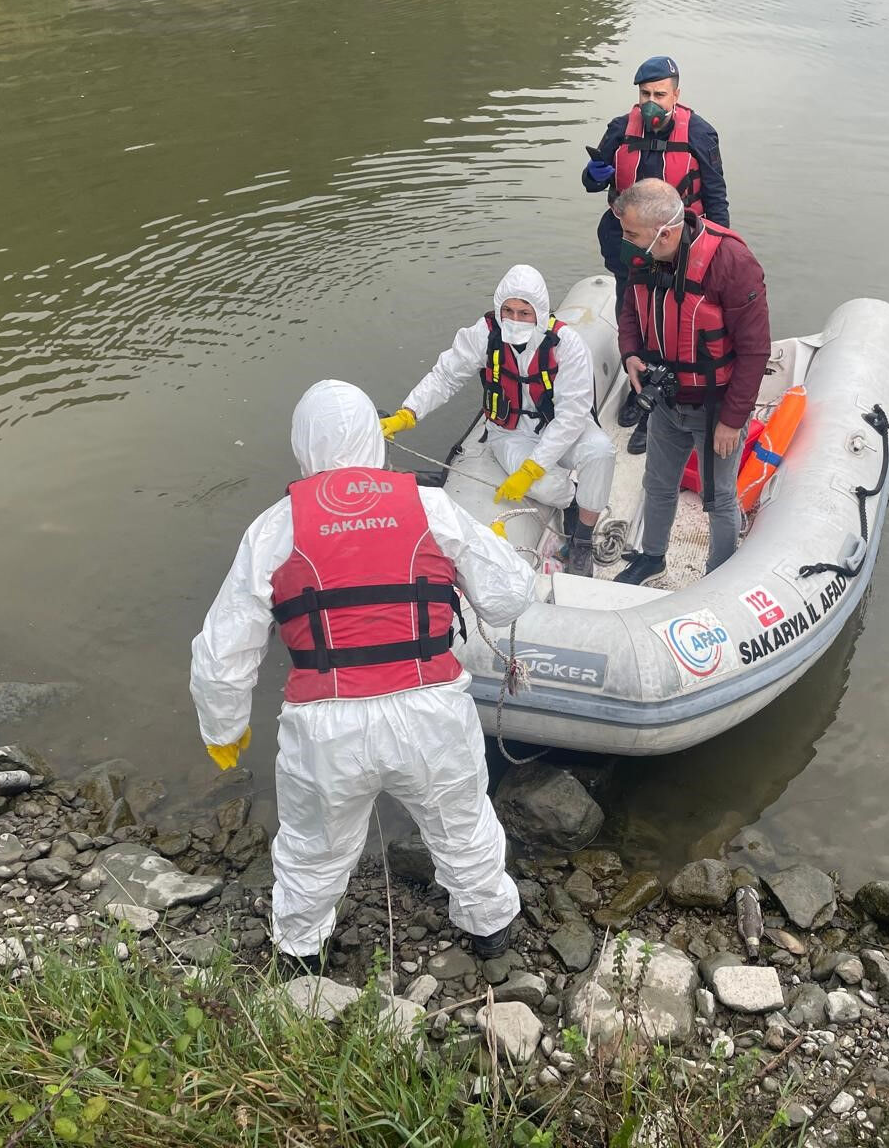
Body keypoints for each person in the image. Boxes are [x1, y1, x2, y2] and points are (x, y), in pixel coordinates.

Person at [190, 380, 536, 971]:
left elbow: (223, 651)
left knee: (313, 848)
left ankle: (301, 950)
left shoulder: (275, 527)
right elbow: (508, 599)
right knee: (462, 825)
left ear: (303, 444)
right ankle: (490, 929)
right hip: (430, 712)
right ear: (374, 438)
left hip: (327, 727)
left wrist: (223, 729)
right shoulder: (430, 507)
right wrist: (488, 552)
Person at [379, 265, 616, 577]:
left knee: (601, 451)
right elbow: (446, 375)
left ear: (539, 312)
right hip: (510, 432)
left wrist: (535, 465)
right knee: (543, 487)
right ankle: (572, 501)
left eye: (524, 313)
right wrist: (409, 413)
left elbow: (572, 414)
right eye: (508, 311)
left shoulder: (566, 345)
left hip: (560, 426)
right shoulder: (485, 334)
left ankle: (582, 539)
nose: (515, 319)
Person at [611, 178, 771, 585]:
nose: (625, 242)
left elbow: (755, 350)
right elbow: (630, 309)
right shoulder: (645, 257)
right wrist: (630, 353)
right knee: (657, 484)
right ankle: (652, 558)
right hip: (665, 401)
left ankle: (719, 574)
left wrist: (732, 420)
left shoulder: (731, 263)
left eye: (631, 234)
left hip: (715, 407)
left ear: (664, 233)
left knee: (719, 498)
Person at [581, 55, 730, 453]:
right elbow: (593, 180)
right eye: (645, 94)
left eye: (659, 94)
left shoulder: (700, 134)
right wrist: (593, 175)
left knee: (670, 322)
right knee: (630, 313)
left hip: (676, 248)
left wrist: (720, 251)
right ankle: (638, 388)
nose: (651, 102)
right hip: (628, 244)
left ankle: (659, 407)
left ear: (675, 95)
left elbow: (716, 198)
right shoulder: (620, 129)